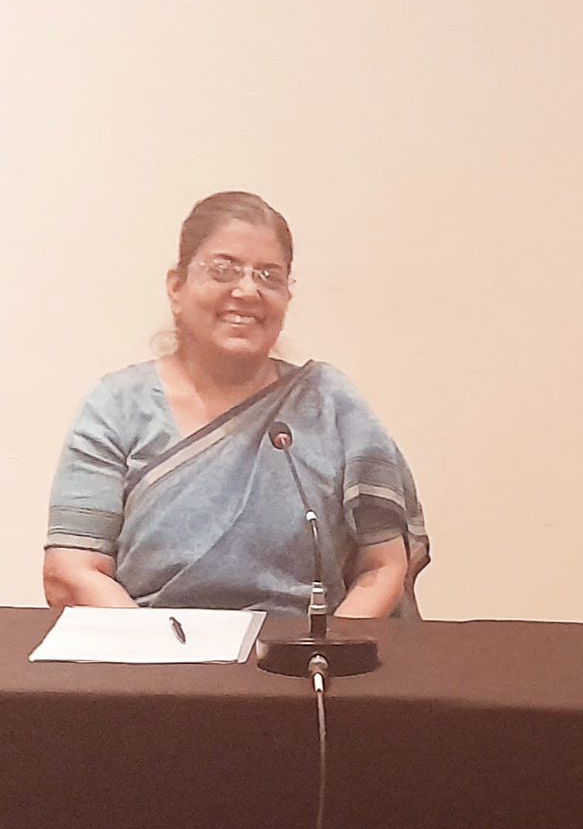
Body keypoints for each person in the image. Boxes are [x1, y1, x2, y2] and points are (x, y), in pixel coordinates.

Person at [44, 191, 428, 617]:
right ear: (176, 287)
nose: (247, 291)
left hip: (303, 666)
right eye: (223, 270)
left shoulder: (329, 403)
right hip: (153, 664)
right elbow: (72, 569)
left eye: (268, 276)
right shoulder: (118, 406)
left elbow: (383, 566)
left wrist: (324, 657)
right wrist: (163, 658)